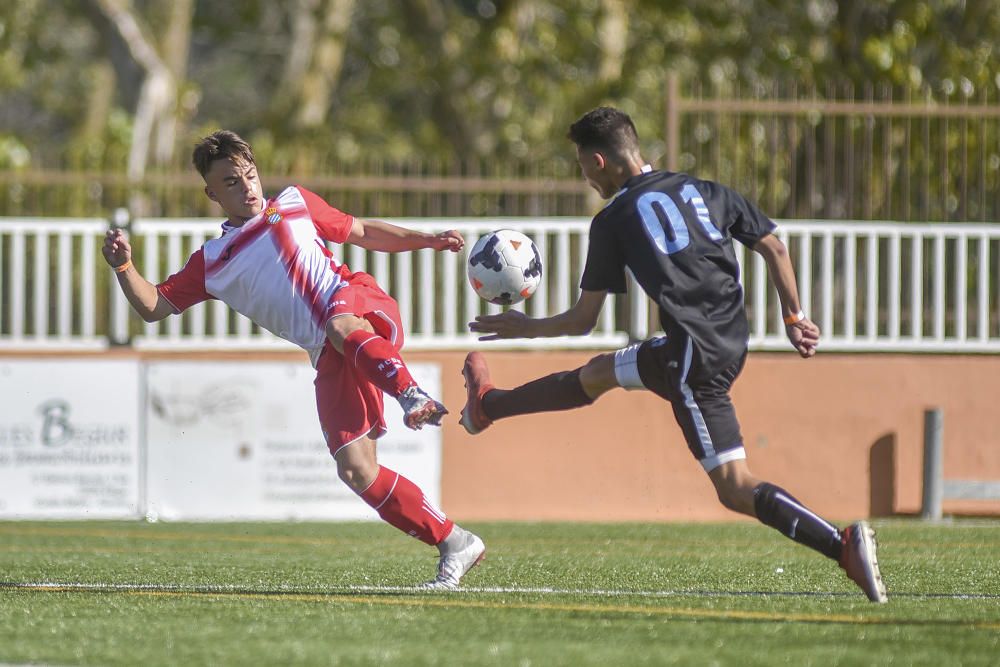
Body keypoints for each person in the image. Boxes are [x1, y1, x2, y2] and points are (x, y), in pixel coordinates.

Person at [462, 107, 887, 603]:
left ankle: (841, 545)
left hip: (693, 359)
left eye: (581, 166)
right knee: (600, 373)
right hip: (728, 339)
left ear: (598, 161)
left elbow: (582, 321)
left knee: (733, 485)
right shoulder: (706, 191)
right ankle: (488, 405)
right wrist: (794, 318)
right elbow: (775, 248)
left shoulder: (613, 219)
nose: (584, 176)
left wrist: (523, 327)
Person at [102, 130, 485, 589]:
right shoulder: (212, 261)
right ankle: (453, 542)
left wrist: (428, 240)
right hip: (330, 352)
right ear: (211, 193)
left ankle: (409, 392)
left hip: (358, 303)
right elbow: (154, 306)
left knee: (340, 325)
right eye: (231, 182)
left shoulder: (295, 201)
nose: (247, 187)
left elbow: (360, 231)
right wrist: (124, 267)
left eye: (249, 174)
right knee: (356, 470)